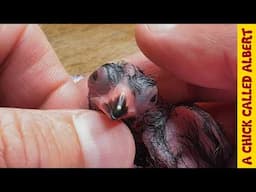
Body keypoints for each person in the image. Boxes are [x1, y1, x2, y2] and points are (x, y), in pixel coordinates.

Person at [0, 24, 235, 168]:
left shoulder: (180, 123)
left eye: (148, 98)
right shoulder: (69, 109)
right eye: (99, 81)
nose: (119, 104)